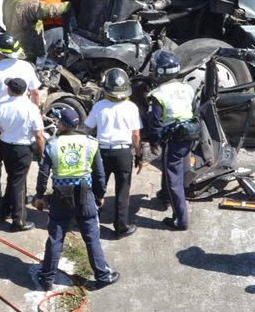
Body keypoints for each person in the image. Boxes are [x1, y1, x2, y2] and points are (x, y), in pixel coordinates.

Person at [34, 106, 120, 291]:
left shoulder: (52, 144)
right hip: (85, 194)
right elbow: (99, 173)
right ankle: (102, 276)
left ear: (63, 125)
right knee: (91, 237)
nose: (55, 123)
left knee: (56, 237)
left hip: (60, 196)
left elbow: (43, 174)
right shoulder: (91, 143)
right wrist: (100, 195)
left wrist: (40, 196)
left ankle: (47, 278)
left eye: (57, 121)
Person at [84, 68, 142, 239]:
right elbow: (136, 135)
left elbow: (87, 128)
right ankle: (120, 227)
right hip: (123, 153)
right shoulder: (131, 107)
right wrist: (138, 155)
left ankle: (91, 223)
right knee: (122, 191)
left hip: (101, 152)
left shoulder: (99, 106)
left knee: (97, 188)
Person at [146, 50, 199, 231]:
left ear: (160, 72)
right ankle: (165, 196)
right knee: (180, 170)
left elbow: (155, 123)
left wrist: (154, 142)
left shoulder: (157, 94)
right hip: (190, 135)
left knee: (173, 178)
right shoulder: (187, 88)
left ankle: (180, 220)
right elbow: (194, 110)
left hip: (174, 139)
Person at [0, 77, 46, 231]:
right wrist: (42, 154)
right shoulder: (32, 109)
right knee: (18, 184)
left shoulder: (1, 106)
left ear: (10, 90)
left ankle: (3, 212)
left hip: (4, 147)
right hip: (22, 150)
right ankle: (19, 220)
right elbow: (39, 135)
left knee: (13, 180)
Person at [2, 0, 69, 63]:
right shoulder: (30, 1)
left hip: (12, 42)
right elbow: (48, 10)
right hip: (25, 48)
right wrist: (67, 5)